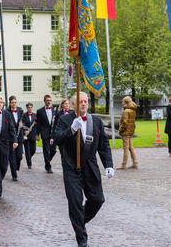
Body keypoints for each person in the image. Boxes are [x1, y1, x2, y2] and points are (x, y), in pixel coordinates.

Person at [54, 92, 114, 247]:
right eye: (80, 101)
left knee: (98, 199)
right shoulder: (64, 119)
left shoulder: (95, 121)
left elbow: (104, 145)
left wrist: (108, 164)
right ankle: (82, 238)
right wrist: (72, 130)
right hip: (71, 166)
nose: (83, 104)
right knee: (75, 203)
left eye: (85, 101)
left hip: (90, 166)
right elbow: (57, 139)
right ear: (73, 104)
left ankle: (80, 221)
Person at [36, 94, 57, 173]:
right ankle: (48, 167)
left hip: (53, 133)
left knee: (53, 150)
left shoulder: (54, 110)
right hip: (44, 133)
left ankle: (47, 162)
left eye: (50, 100)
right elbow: (38, 124)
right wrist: (37, 134)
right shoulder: (40, 111)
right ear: (44, 101)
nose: (49, 102)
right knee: (46, 150)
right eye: (47, 100)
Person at [117, 96, 138, 169]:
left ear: (126, 102)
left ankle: (124, 165)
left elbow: (124, 122)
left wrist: (120, 129)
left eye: (123, 101)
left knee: (126, 148)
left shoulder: (126, 111)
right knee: (131, 147)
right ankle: (135, 163)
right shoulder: (132, 110)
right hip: (131, 132)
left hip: (125, 132)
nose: (122, 103)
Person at [7, 95, 24, 181]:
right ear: (9, 103)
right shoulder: (6, 112)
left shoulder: (20, 110)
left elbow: (22, 121)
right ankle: (14, 175)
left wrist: (22, 125)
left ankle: (16, 167)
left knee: (20, 155)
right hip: (10, 137)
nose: (14, 104)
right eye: (12, 103)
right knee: (12, 157)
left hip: (19, 136)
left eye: (15, 102)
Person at [21, 103, 37, 169]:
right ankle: (29, 164)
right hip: (26, 135)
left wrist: (36, 134)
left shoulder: (35, 115)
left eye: (31, 107)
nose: (30, 108)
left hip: (33, 135)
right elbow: (23, 123)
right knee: (27, 150)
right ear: (27, 108)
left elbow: (36, 125)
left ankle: (28, 157)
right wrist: (25, 130)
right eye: (29, 107)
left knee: (33, 150)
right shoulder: (24, 115)